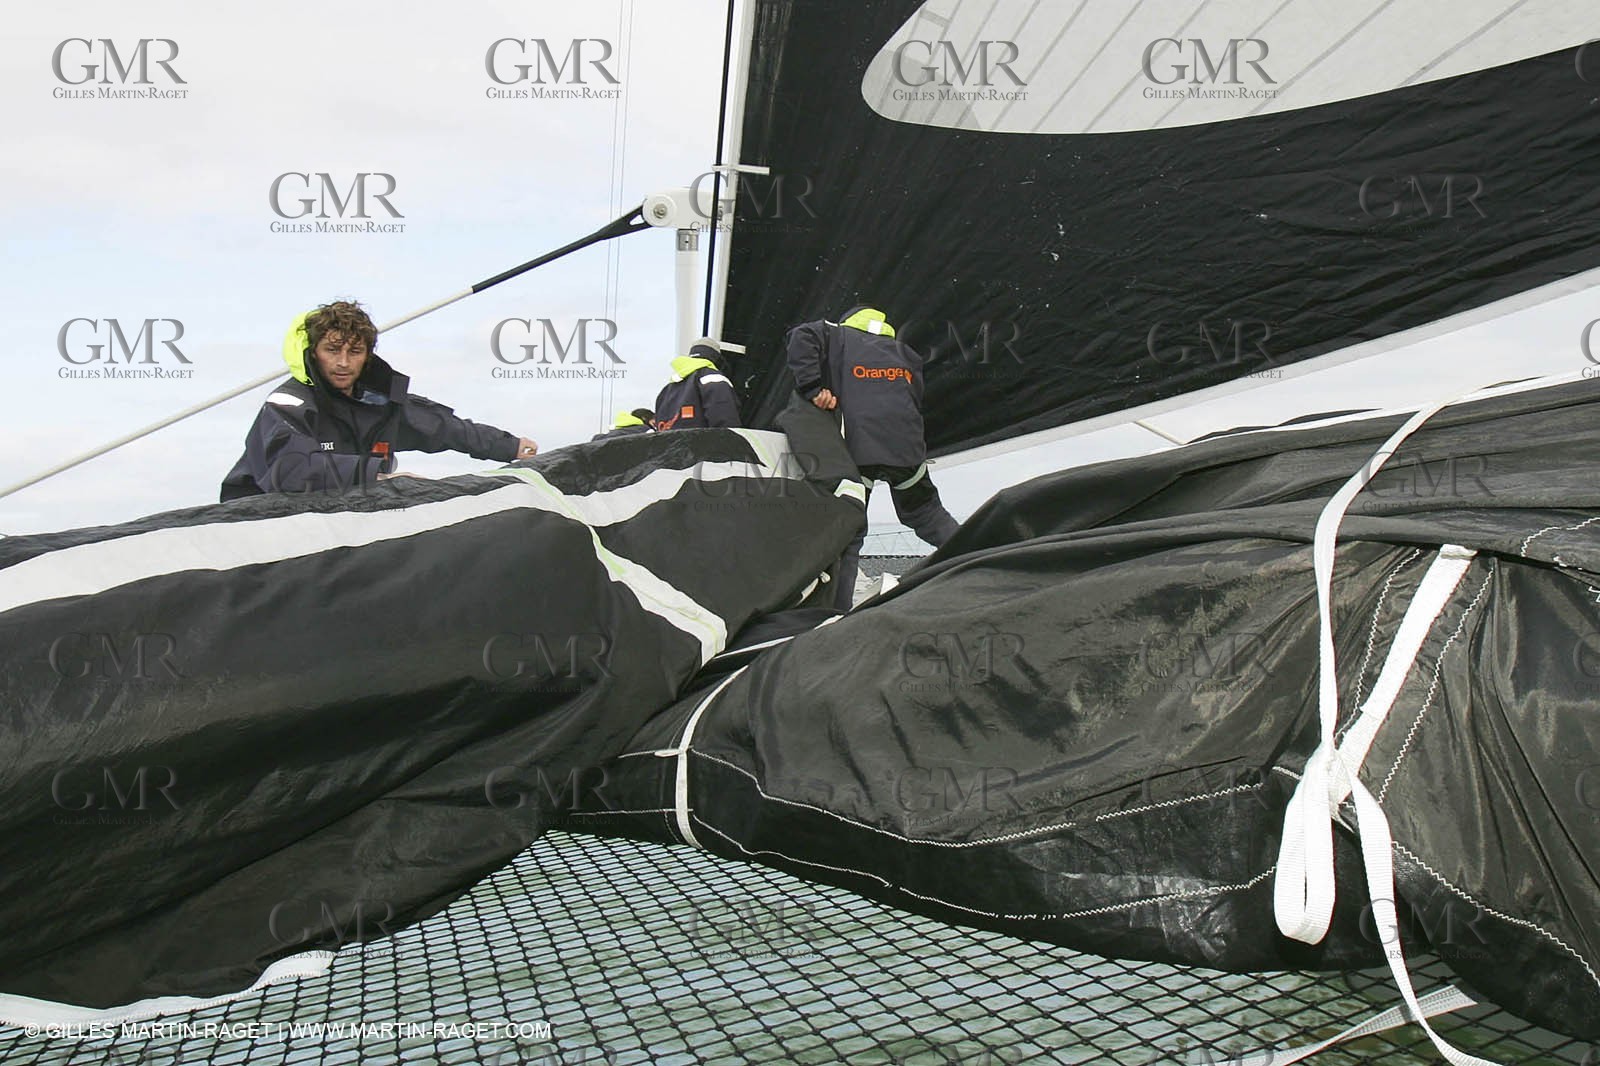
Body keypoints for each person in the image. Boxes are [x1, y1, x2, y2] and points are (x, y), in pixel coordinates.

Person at [221, 301, 538, 501]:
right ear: (313, 353)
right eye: (332, 350)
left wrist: (509, 446)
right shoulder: (287, 405)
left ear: (368, 356)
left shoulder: (379, 404)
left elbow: (441, 427)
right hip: (256, 520)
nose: (343, 362)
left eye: (355, 352)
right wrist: (380, 477)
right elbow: (290, 471)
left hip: (337, 520)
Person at [785, 304, 959, 610]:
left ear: (849, 323)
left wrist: (813, 387)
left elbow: (801, 336)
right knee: (927, 515)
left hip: (859, 450)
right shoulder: (906, 353)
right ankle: (981, 557)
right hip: (907, 451)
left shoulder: (835, 335)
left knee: (849, 534)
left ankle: (834, 612)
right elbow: (913, 397)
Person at [652, 338, 741, 430]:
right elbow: (724, 418)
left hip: (672, 443)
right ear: (716, 357)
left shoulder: (666, 389)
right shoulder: (713, 377)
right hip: (703, 443)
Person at [591, 408, 657, 441]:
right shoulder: (647, 431)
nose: (655, 425)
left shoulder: (602, 437)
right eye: (653, 422)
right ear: (644, 418)